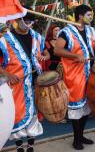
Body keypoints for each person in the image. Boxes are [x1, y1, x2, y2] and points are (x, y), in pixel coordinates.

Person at [55, 4, 95, 150]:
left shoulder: (90, 31)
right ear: (80, 16)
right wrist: (75, 55)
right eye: (88, 15)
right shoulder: (66, 32)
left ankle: (81, 135)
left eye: (91, 15)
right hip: (74, 74)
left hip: (90, 72)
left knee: (86, 107)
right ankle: (76, 139)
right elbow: (57, 50)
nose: (91, 17)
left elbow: (94, 49)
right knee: (76, 108)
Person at [0, 12, 50, 152]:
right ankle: (20, 148)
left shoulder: (37, 37)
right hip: (16, 86)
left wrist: (44, 56)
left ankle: (30, 147)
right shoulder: (5, 39)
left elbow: (47, 52)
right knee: (18, 116)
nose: (28, 23)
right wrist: (8, 74)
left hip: (35, 83)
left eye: (30, 20)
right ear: (17, 20)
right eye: (25, 20)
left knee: (34, 116)